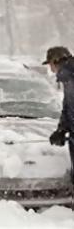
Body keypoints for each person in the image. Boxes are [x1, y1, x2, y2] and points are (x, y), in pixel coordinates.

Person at [43, 46, 74, 192]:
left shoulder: (70, 76)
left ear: (56, 61)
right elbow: (68, 108)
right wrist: (62, 130)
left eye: (50, 64)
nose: (51, 69)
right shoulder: (67, 78)